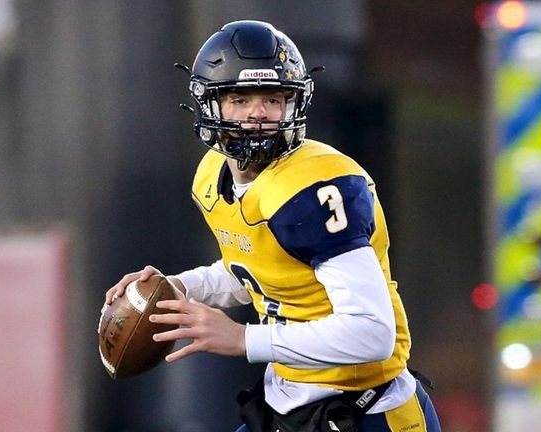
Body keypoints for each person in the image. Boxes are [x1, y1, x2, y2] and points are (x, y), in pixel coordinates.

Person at [104, 20, 441, 432]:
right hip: (289, 404)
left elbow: (372, 333)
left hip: (365, 412)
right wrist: (179, 288)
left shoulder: (314, 187)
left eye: (272, 98)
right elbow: (258, 271)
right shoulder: (213, 176)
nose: (258, 114)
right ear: (210, 104)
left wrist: (244, 339)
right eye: (240, 100)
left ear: (293, 104)